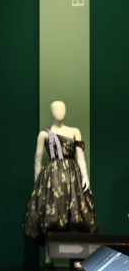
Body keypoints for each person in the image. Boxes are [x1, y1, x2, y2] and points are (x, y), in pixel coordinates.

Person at [22, 100, 97, 246]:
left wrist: (85, 175)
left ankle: (76, 256)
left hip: (72, 175)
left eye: (62, 108)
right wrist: (37, 185)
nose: (59, 111)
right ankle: (49, 255)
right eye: (56, 108)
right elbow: (37, 161)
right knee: (52, 213)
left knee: (75, 213)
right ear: (51, 112)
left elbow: (80, 156)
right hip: (53, 175)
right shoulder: (44, 134)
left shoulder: (74, 131)